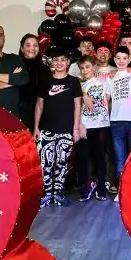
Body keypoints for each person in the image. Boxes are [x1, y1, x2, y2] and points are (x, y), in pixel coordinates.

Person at [33, 45, 82, 206]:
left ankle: (58, 193)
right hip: (46, 129)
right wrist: (36, 127)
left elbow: (77, 106)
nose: (59, 63)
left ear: (68, 62)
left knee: (62, 163)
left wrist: (76, 128)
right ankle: (47, 194)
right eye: (56, 60)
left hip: (66, 130)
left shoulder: (73, 82)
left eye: (62, 60)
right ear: (52, 62)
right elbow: (39, 105)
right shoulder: (46, 81)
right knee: (46, 164)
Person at [105, 45, 131, 202]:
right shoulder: (110, 77)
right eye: (118, 58)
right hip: (115, 122)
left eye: (124, 58)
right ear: (114, 59)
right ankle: (122, 190)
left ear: (129, 59)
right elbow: (106, 99)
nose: (121, 61)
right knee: (120, 158)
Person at [75, 55, 110, 202]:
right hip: (84, 125)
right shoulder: (78, 85)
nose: (85, 70)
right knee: (83, 158)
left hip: (101, 124)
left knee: (100, 157)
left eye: (87, 67)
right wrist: (79, 124)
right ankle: (85, 187)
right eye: (82, 68)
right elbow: (76, 107)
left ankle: (101, 187)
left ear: (94, 67)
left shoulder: (104, 82)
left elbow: (108, 100)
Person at [18, 33, 48, 131]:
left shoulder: (45, 69)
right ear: (22, 48)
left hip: (42, 115)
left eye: (35, 45)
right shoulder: (15, 66)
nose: (32, 48)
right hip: (19, 115)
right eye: (28, 45)